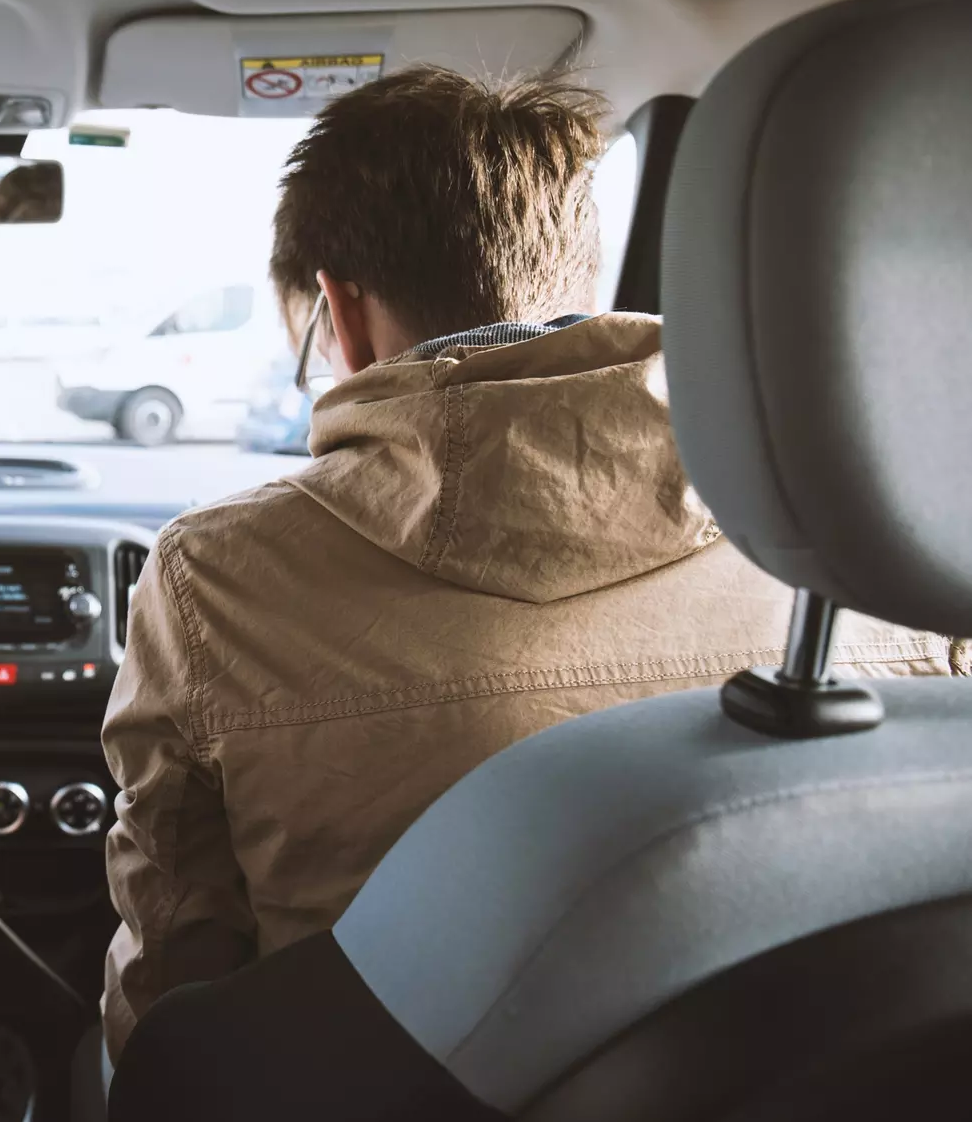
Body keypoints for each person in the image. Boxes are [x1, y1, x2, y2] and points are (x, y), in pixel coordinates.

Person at [99, 65, 960, 1060]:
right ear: (578, 288)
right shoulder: (881, 539)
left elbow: (176, 951)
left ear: (340, 313)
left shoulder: (216, 575)